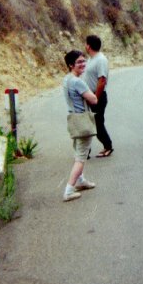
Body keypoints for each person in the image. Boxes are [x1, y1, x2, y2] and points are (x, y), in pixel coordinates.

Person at [62, 50, 98, 202]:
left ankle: (81, 181)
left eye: (84, 61)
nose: (83, 64)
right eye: (79, 62)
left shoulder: (67, 79)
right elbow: (94, 99)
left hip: (73, 119)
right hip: (82, 120)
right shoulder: (78, 82)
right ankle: (69, 190)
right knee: (81, 157)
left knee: (78, 151)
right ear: (71, 65)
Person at [83, 34, 114, 157]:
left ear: (89, 46)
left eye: (86, 43)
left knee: (98, 123)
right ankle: (88, 150)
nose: (85, 46)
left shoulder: (101, 59)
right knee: (92, 122)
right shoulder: (91, 59)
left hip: (98, 97)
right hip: (91, 96)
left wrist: (95, 97)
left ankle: (108, 146)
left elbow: (102, 80)